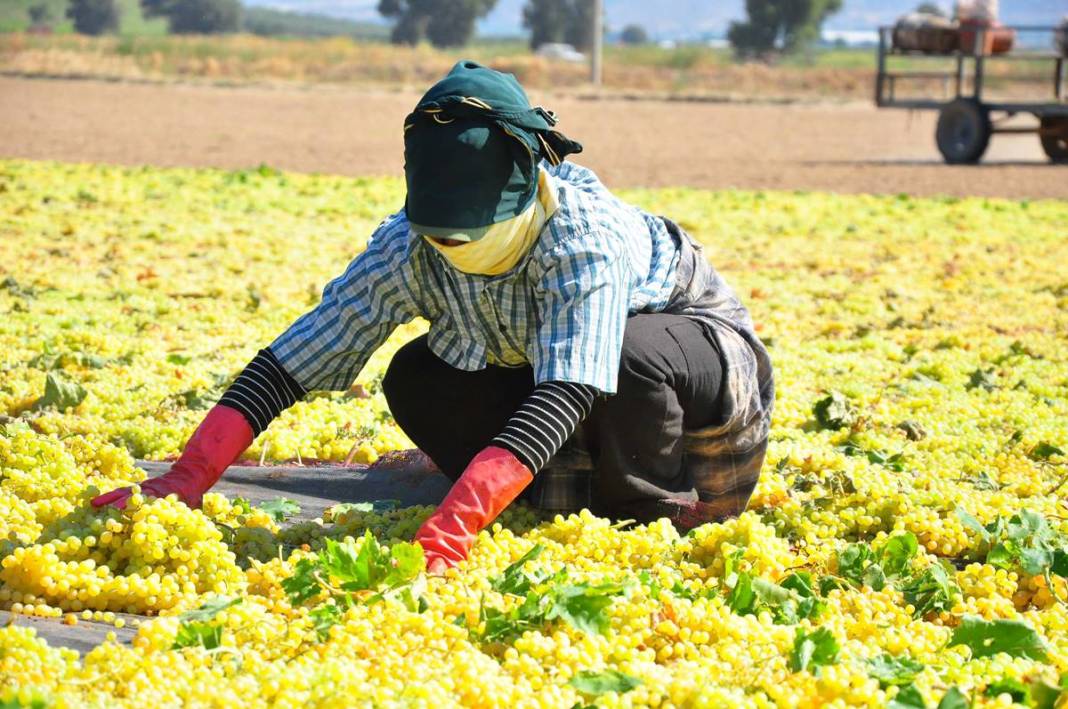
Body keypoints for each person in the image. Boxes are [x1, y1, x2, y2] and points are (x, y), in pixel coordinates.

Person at [93, 61, 775, 574]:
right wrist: (188, 475)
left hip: (684, 373)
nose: (454, 250)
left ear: (528, 193)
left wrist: (455, 524)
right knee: (416, 375)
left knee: (627, 354)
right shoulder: (408, 246)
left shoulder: (581, 237)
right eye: (441, 236)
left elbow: (572, 383)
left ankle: (651, 515)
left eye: (470, 234)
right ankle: (554, 502)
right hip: (548, 372)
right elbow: (296, 359)